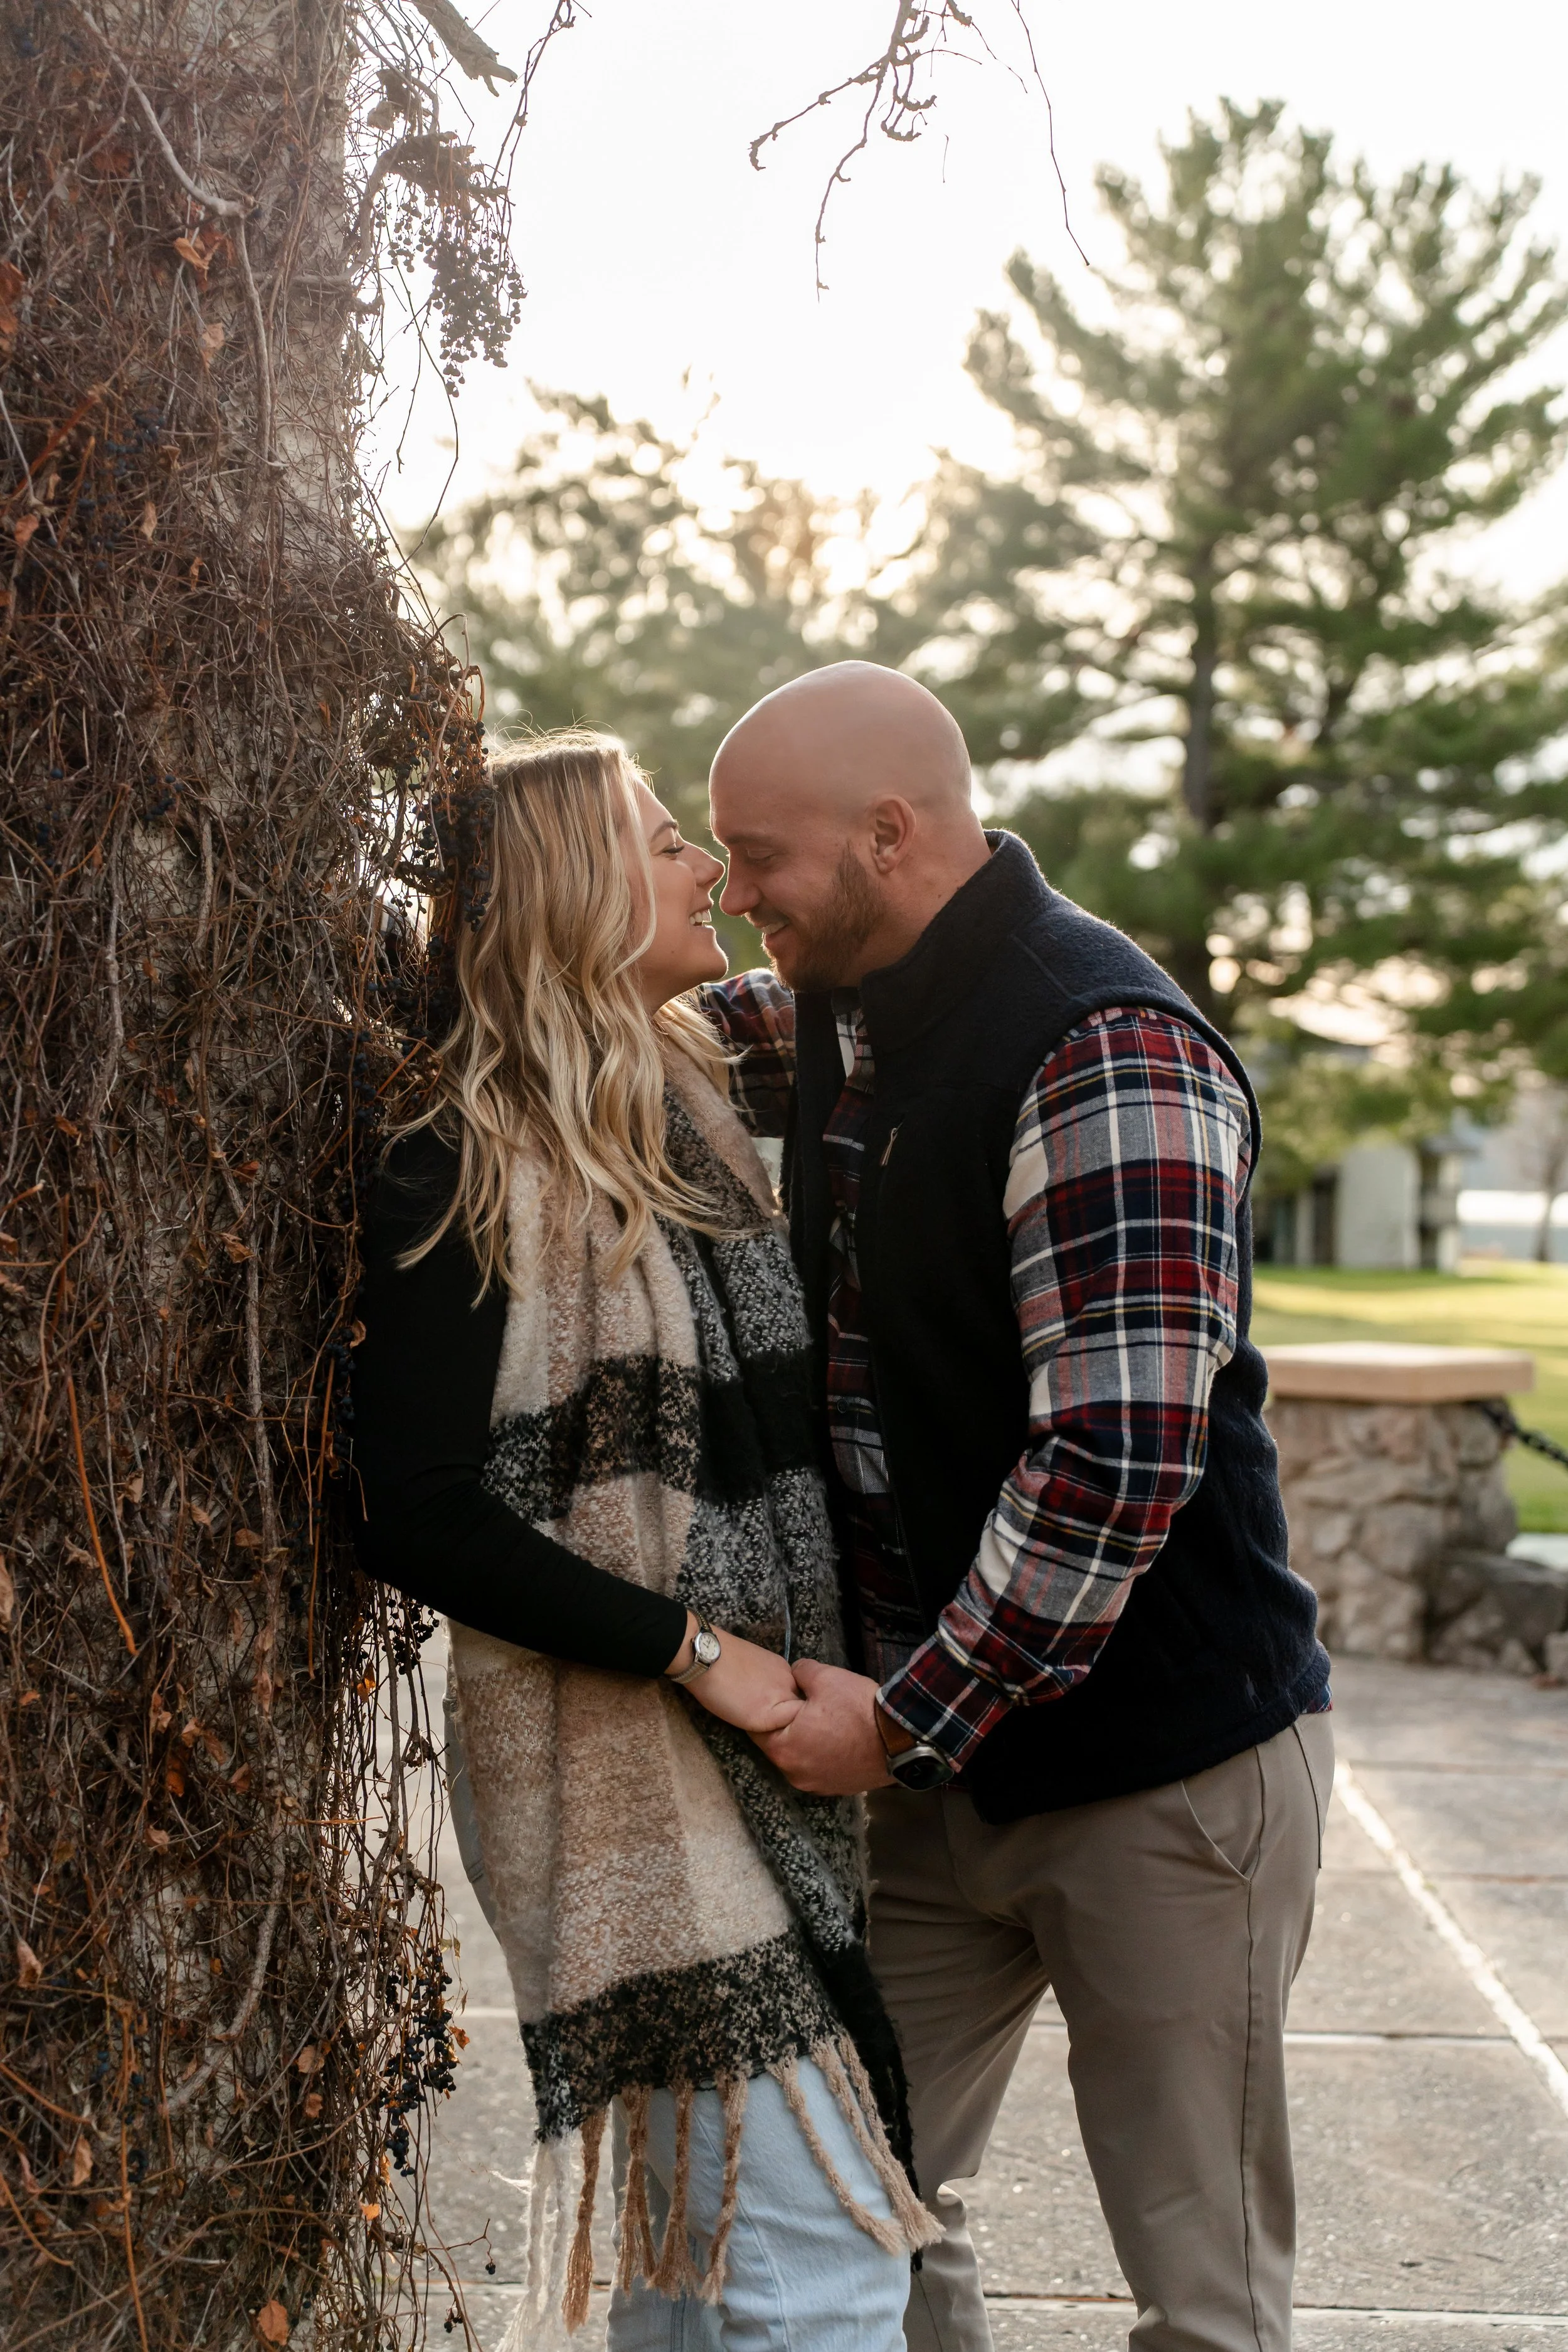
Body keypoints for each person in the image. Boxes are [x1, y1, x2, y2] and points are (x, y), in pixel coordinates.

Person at [697, 662, 1335, 2352]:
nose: (730, 896)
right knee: (845, 2191)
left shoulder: (1098, 1043)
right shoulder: (850, 996)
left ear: (888, 835)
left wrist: (902, 1722)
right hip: (946, 1758)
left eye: (753, 858)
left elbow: (1109, 1463)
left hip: (1165, 1777)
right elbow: (660, 1043)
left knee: (1199, 2292)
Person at [348, 733, 938, 2352]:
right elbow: (419, 1510)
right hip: (625, 1772)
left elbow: (886, 973)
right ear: (574, 896)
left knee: (706, 2269)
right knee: (814, 2261)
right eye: (667, 840)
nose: (706, 871)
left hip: (752, 1747)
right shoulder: (458, 1164)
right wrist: (702, 1653)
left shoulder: (689, 1104)